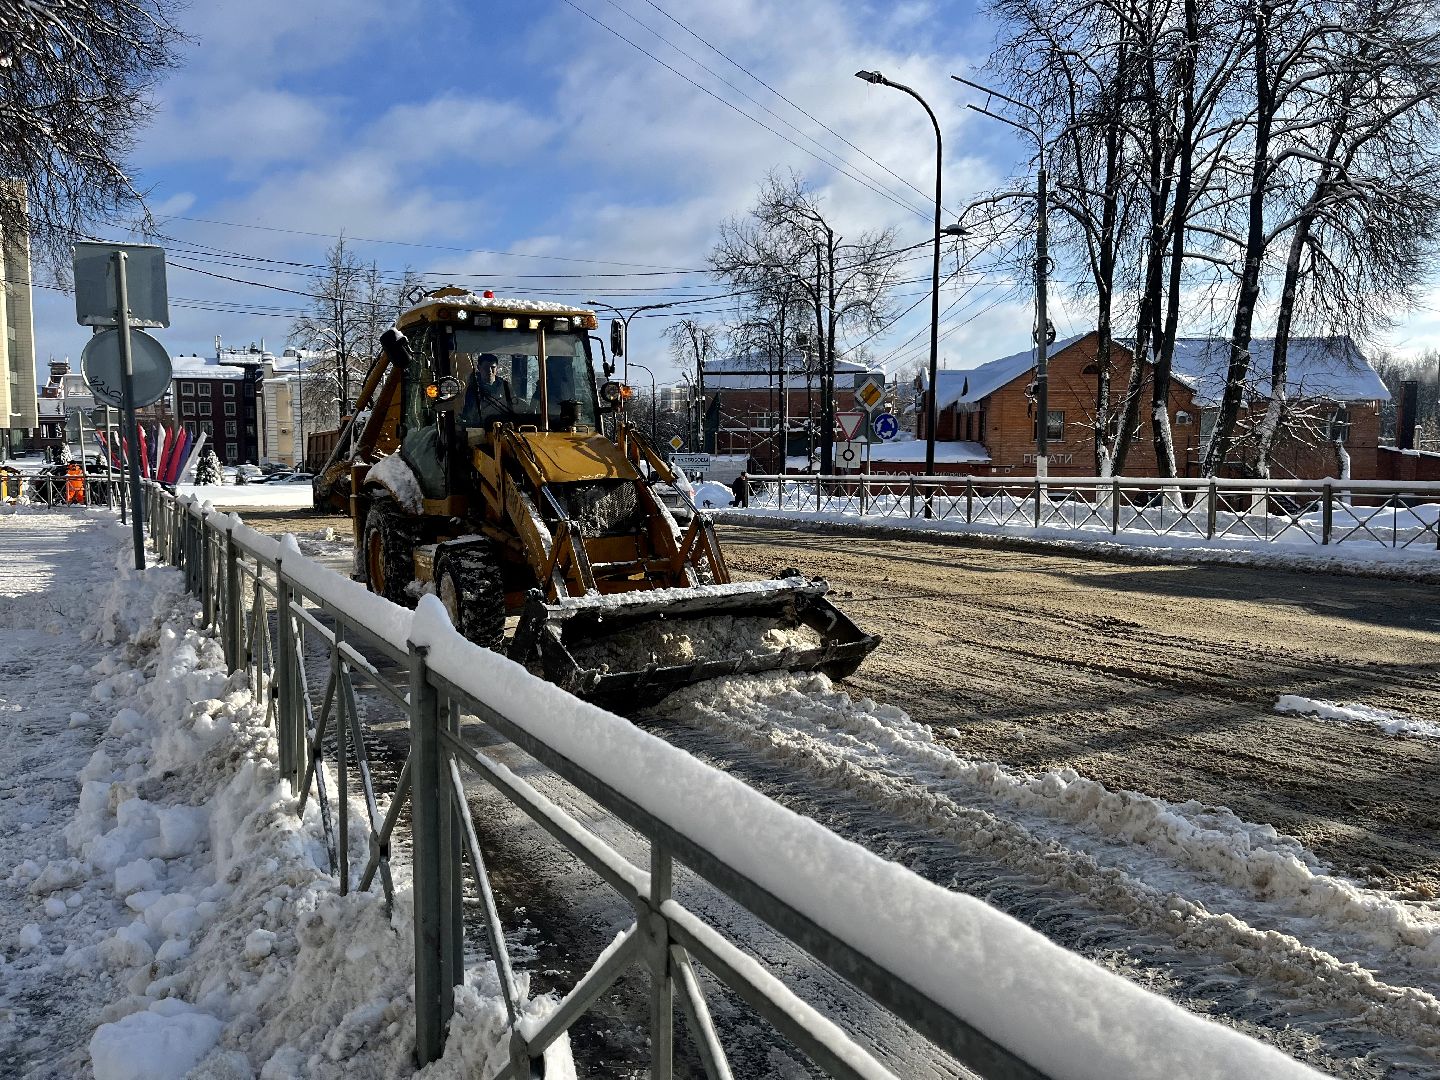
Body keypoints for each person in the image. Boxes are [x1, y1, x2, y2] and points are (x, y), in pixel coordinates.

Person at [461, 353, 512, 428]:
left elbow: (513, 408)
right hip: (481, 428)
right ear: (479, 367)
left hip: (503, 428)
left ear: (497, 368)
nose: (489, 371)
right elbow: (469, 413)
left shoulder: (505, 387)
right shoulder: (473, 388)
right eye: (486, 367)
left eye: (493, 367)